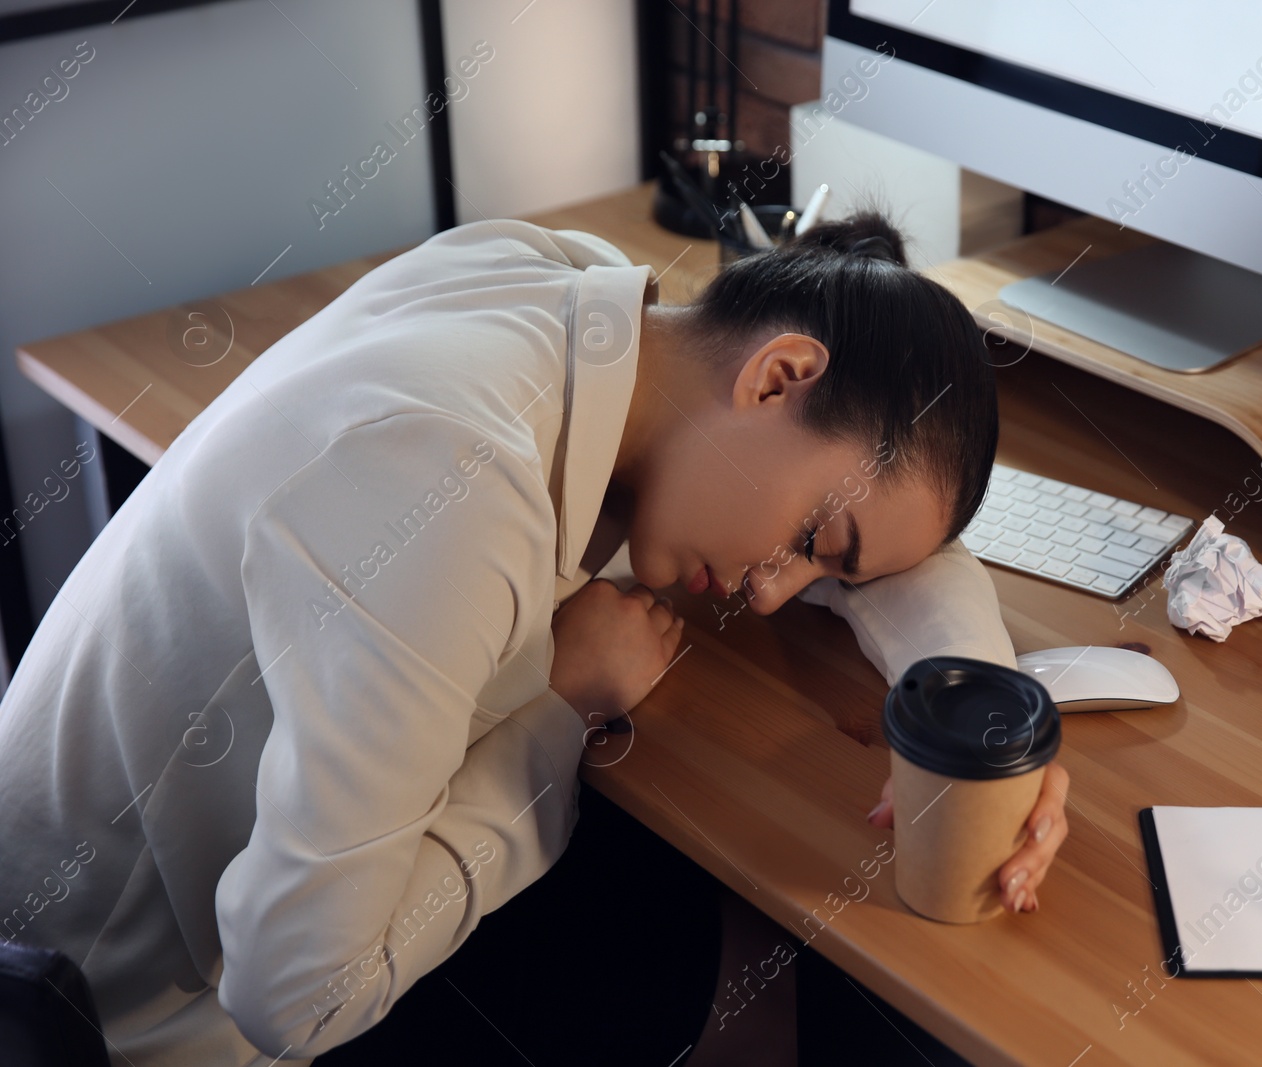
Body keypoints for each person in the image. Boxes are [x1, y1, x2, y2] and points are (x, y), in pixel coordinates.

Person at [0, 210, 1071, 1065]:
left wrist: (984, 711)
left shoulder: (559, 282)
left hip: (120, 889)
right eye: (807, 538)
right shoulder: (456, 489)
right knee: (746, 974)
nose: (774, 592)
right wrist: (560, 708)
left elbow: (908, 551)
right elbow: (299, 997)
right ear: (778, 376)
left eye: (827, 565)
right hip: (130, 1017)